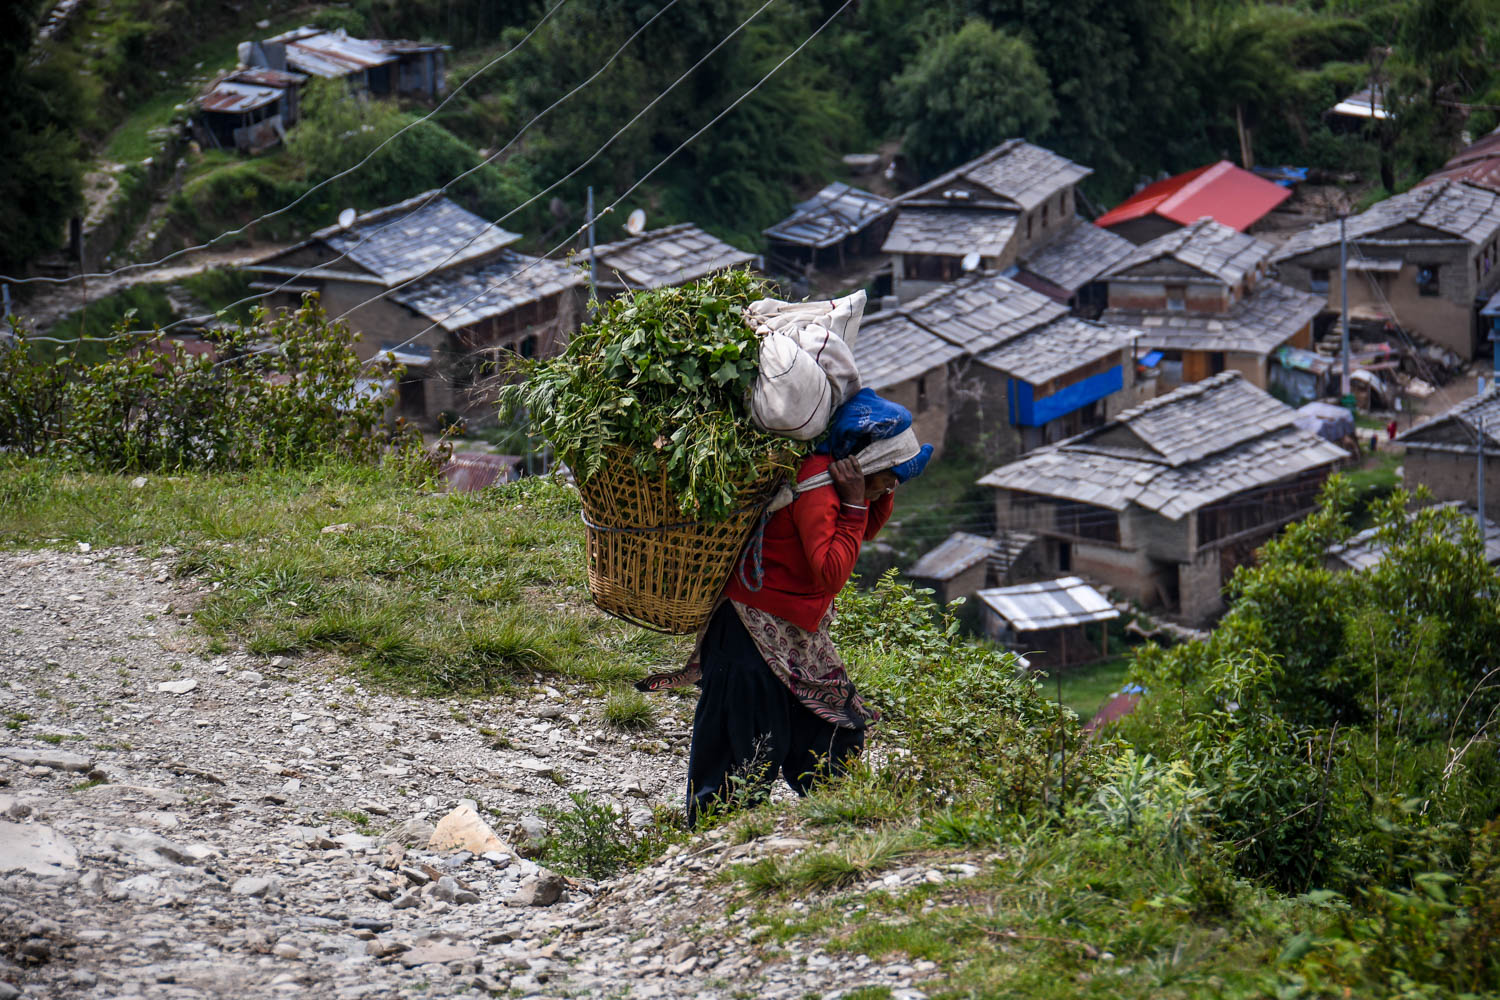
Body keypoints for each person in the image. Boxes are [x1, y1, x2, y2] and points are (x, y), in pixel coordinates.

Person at [637, 392, 933, 823]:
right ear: (864, 465)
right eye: (889, 476)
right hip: (748, 629)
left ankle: (843, 818)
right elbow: (830, 571)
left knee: (835, 728)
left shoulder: (838, 484)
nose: (891, 486)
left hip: (791, 630)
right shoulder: (817, 485)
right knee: (740, 744)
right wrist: (855, 499)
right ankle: (716, 843)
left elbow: (863, 531)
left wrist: (876, 491)